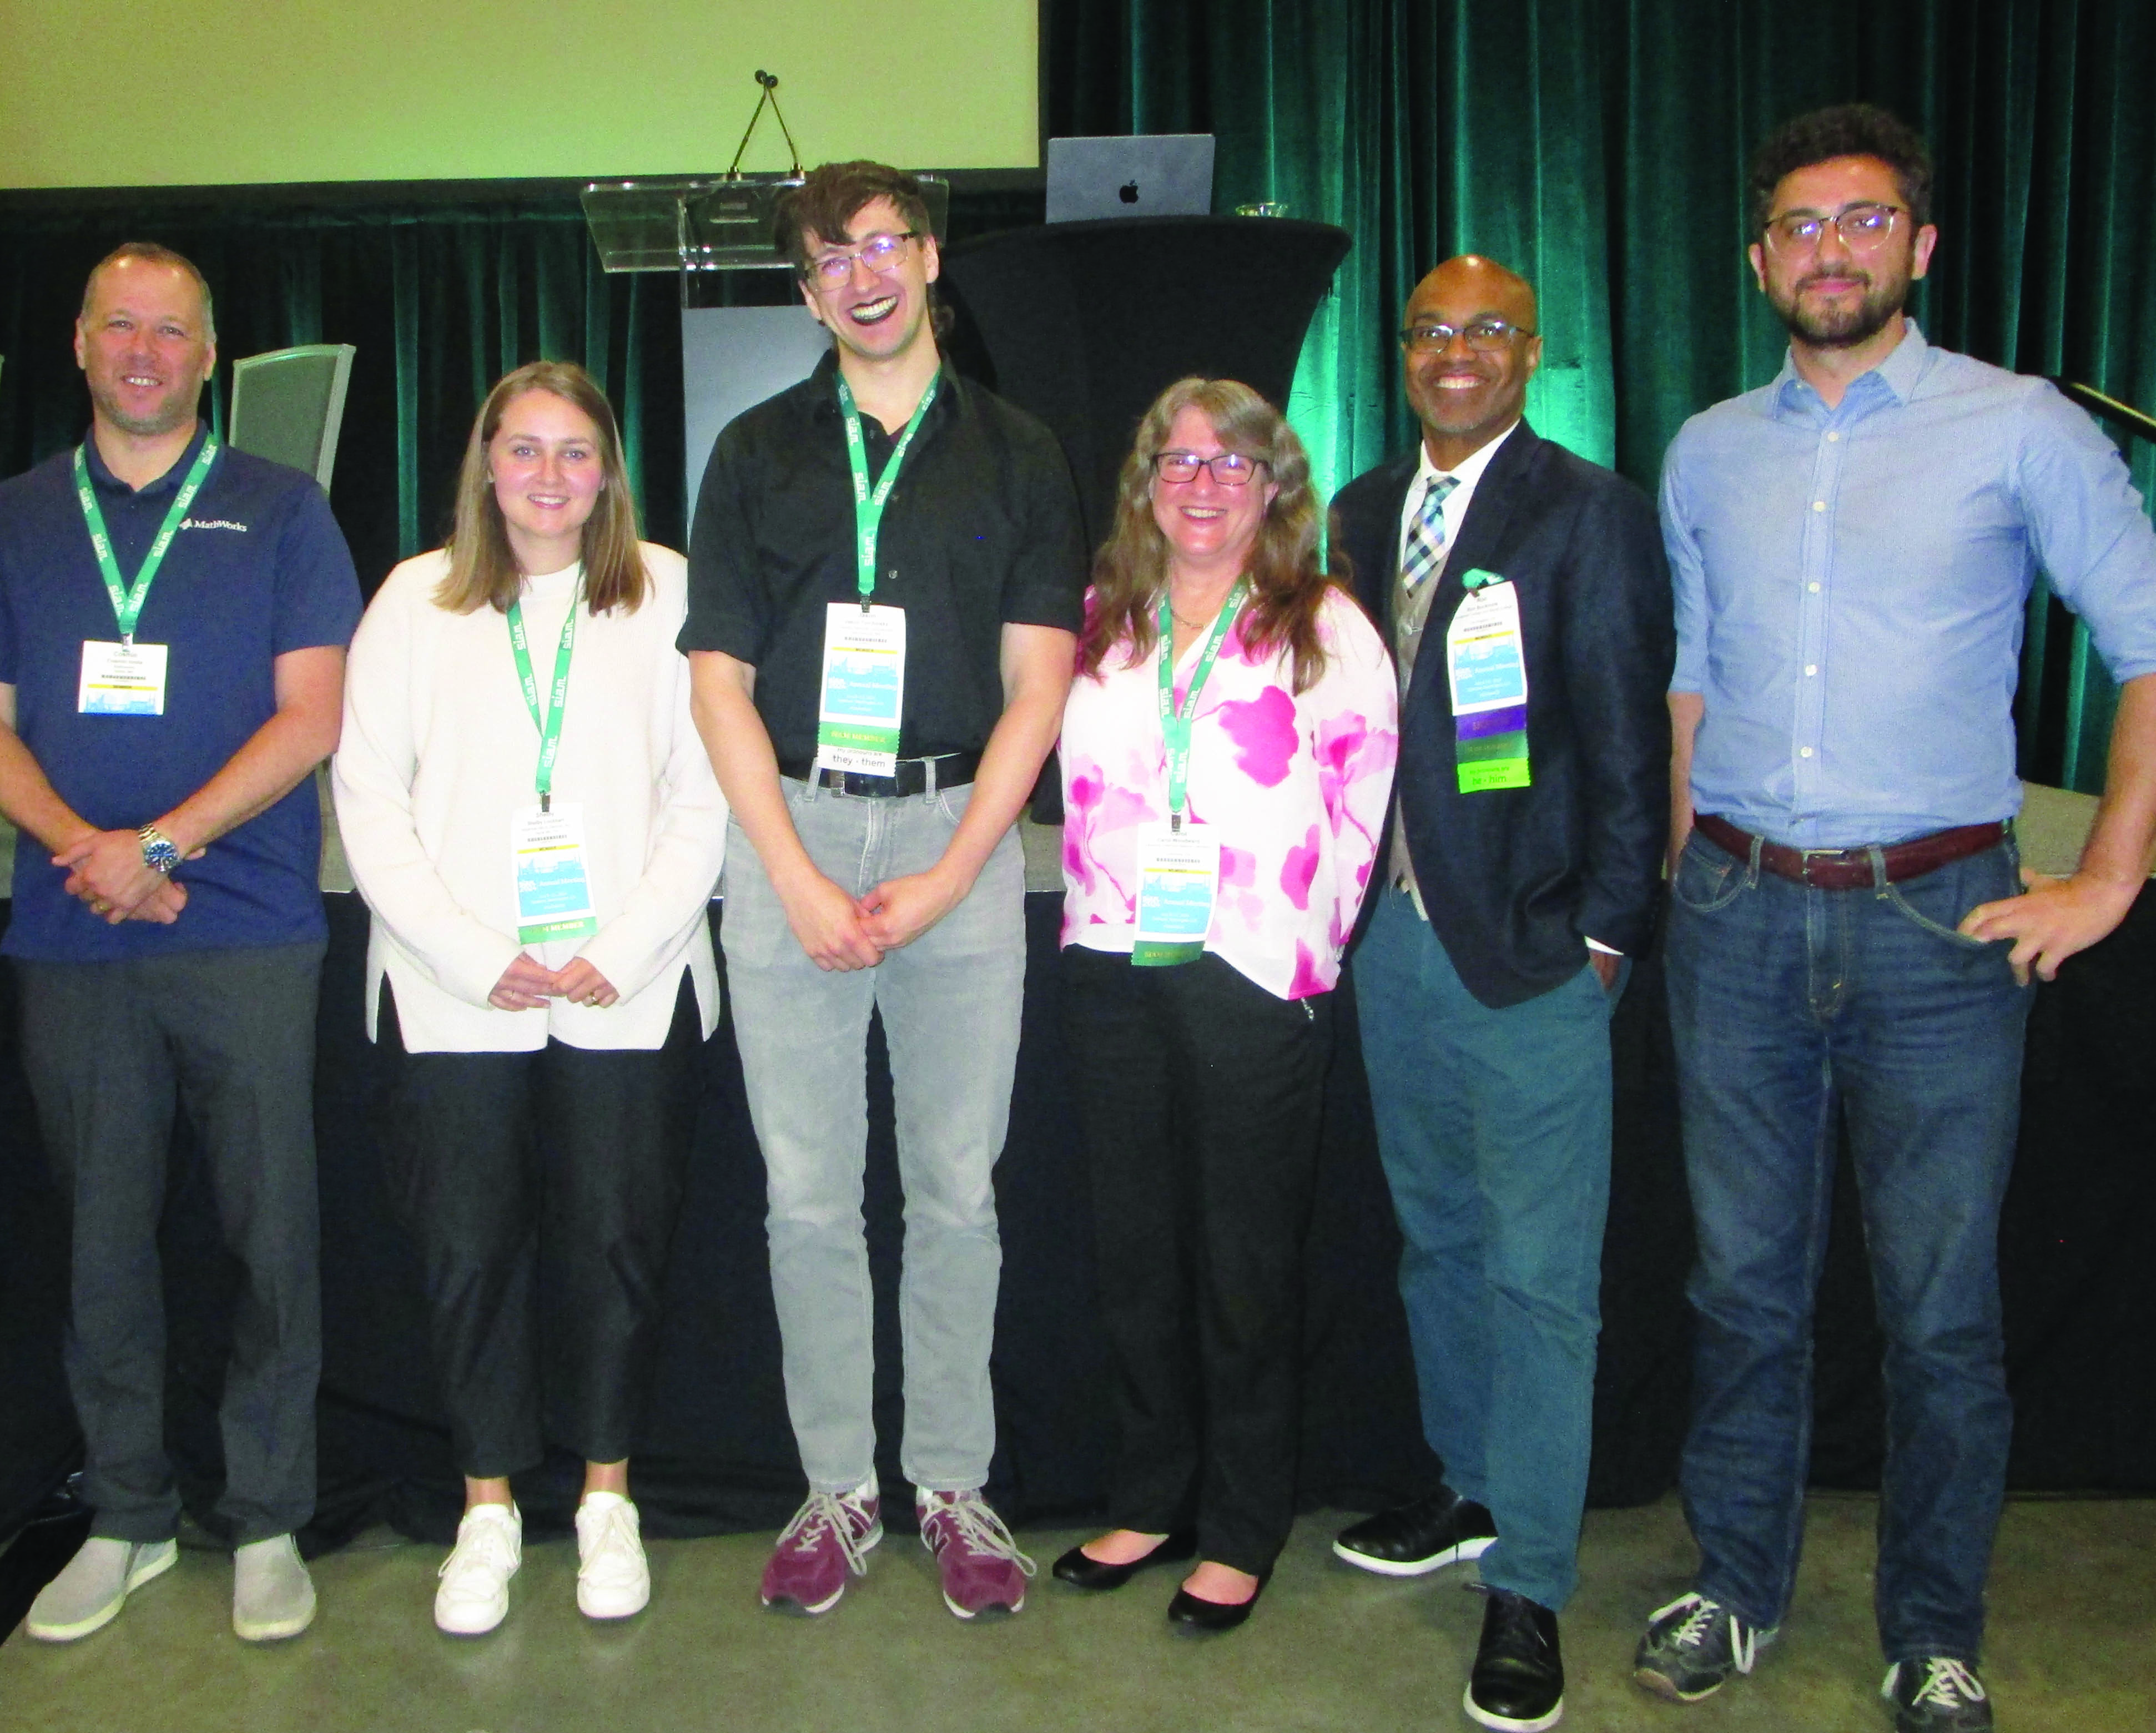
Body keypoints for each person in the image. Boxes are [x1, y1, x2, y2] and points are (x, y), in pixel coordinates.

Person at [1644, 105, 2156, 1733]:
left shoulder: (2016, 427)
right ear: (1758, 261)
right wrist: (1686, 856)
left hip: (1941, 928)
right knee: (1739, 1289)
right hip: (1736, 916)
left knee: (1938, 1312)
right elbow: (1690, 670)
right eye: (1800, 227)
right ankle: (1735, 1586)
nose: (1829, 249)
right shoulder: (1702, 449)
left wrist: (2105, 879)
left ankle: (1935, 1636)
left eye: (1862, 220)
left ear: (1918, 246)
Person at [680, 160, 1087, 1621]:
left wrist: (957, 869)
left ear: (926, 257)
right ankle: (838, 1490)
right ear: (803, 293)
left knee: (954, 1192)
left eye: (878, 244)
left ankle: (954, 1487)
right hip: (786, 827)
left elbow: (1038, 684)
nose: (856, 276)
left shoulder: (1021, 448)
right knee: (804, 1199)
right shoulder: (751, 453)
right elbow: (715, 682)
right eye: (823, 260)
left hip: (955, 831)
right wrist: (785, 871)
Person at [0, 242, 363, 1646]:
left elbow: (313, 716)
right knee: (99, 1242)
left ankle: (266, 1519)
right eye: (118, 327)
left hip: (244, 928)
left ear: (208, 353)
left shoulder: (282, 509)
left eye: (169, 332)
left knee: (269, 1235)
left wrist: (164, 847)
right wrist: (94, 854)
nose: (142, 352)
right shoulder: (6, 524)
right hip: (74, 933)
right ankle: (124, 1514)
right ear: (77, 343)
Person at [1322, 258, 1673, 1732]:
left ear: (1532, 353)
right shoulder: (1350, 513)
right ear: (1398, 353)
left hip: (1528, 950)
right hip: (1389, 941)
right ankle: (1468, 1485)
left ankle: (1527, 1577)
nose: (1455, 355)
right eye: (1430, 332)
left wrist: (1603, 929)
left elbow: (1623, 730)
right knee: (1436, 1239)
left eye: (1486, 333)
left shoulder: (1586, 511)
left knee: (1540, 1277)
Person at [333, 362, 726, 1634]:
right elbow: (367, 800)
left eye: (574, 452)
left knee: (616, 1243)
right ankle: (488, 1506)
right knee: (466, 1253)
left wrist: (623, 941)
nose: (548, 476)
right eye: (523, 450)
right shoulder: (411, 602)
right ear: (484, 465)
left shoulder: (665, 591)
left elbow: (708, 789)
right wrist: (459, 949)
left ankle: (605, 1498)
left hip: (629, 983)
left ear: (607, 470)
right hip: (454, 997)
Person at [1050, 379, 1396, 1634]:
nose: (1201, 484)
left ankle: (1241, 1522)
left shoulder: (1325, 628)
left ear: (1272, 488)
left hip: (1255, 974)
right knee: (1134, 1248)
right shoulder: (1102, 619)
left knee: (1244, 1262)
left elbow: (1363, 811)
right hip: (1109, 957)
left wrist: (1302, 954)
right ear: (1146, 483)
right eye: (1178, 462)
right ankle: (1151, 1495)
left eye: (1230, 464)